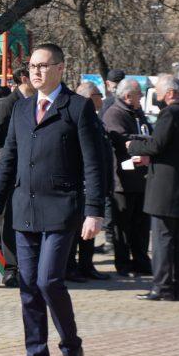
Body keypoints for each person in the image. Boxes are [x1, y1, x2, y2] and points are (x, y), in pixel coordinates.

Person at [0, 43, 105, 356]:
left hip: (62, 210)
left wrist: (94, 212)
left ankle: (71, 346)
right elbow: (8, 163)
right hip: (23, 211)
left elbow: (94, 165)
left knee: (48, 281)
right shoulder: (21, 109)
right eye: (32, 66)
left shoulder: (77, 108)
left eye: (43, 65)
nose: (35, 72)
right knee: (28, 287)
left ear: (60, 68)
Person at [128, 76, 179, 301]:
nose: (156, 97)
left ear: (169, 93)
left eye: (158, 92)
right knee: (175, 241)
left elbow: (157, 144)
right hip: (175, 188)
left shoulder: (170, 113)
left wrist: (133, 146)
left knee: (162, 240)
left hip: (165, 189)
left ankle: (161, 287)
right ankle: (174, 285)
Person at [0, 64, 34, 287]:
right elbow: (1, 141)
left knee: (12, 219)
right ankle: (2, 267)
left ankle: (12, 266)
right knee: (0, 221)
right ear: (24, 77)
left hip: (22, 171)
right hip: (4, 171)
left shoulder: (31, 103)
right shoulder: (8, 105)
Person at [103, 78, 152, 276]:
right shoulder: (114, 114)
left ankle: (141, 262)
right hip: (122, 181)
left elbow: (150, 133)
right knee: (122, 227)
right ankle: (123, 265)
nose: (141, 97)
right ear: (127, 96)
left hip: (141, 179)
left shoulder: (138, 113)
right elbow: (122, 139)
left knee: (141, 226)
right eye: (139, 93)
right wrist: (149, 141)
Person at [65, 81, 111, 282]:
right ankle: (70, 267)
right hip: (80, 182)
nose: (102, 98)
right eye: (98, 94)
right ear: (89, 97)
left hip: (95, 182)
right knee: (76, 229)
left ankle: (86, 265)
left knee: (89, 228)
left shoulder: (96, 118)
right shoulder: (78, 118)